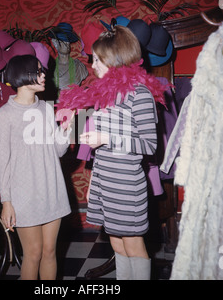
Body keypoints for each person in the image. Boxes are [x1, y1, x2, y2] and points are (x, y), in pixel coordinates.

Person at [78, 25, 159, 280]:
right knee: (116, 244)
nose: (93, 65)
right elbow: (101, 150)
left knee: (134, 246)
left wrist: (107, 138)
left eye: (98, 59)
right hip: (106, 182)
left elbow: (149, 145)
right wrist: (94, 182)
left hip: (127, 186)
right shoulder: (104, 95)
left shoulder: (141, 94)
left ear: (115, 58)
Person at [0, 54, 72, 280]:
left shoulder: (47, 110)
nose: (43, 75)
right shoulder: (5, 114)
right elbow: (2, 161)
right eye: (38, 71)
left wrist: (67, 127)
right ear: (22, 74)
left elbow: (58, 150)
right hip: (23, 195)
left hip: (52, 190)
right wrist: (6, 200)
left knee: (49, 252)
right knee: (33, 254)